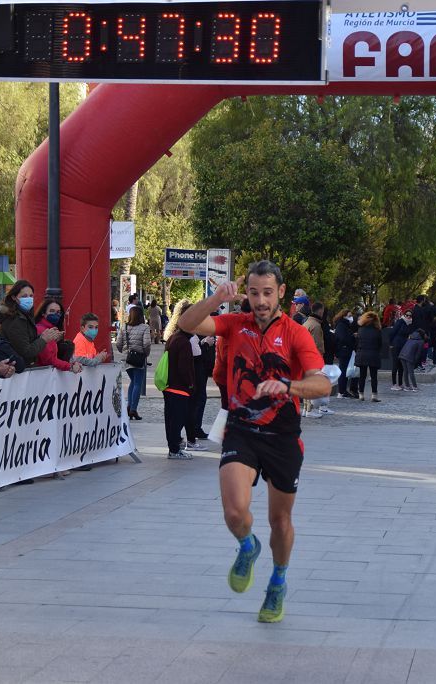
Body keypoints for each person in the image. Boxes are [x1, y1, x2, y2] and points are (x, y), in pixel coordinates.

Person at [175, 260, 330, 624]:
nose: (260, 301)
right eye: (254, 292)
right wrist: (216, 298)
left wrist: (288, 386)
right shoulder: (235, 325)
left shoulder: (296, 333)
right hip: (242, 429)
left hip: (282, 436)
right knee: (234, 512)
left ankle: (277, 581)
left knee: (280, 520)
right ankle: (247, 545)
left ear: (281, 292)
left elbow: (322, 384)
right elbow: (186, 324)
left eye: (267, 293)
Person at [162, 300, 199, 459]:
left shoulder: (173, 337)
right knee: (177, 420)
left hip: (170, 385)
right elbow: (184, 367)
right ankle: (174, 450)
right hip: (179, 387)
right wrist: (191, 384)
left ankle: (174, 448)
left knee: (171, 420)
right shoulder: (184, 342)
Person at [0, 280, 63, 368]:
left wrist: (45, 337)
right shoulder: (15, 319)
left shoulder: (25, 315)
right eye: (24, 296)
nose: (29, 299)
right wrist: (43, 339)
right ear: (14, 297)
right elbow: (26, 351)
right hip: (16, 370)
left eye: (31, 296)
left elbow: (28, 340)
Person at [114, 306, 150, 421]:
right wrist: (145, 354)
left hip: (127, 359)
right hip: (139, 358)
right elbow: (147, 344)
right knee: (137, 383)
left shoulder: (124, 327)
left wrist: (124, 352)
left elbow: (118, 343)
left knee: (133, 382)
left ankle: (129, 407)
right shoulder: (145, 327)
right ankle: (133, 409)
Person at [34, 299, 83, 373]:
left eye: (58, 312)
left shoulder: (52, 329)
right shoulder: (41, 329)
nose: (55, 314)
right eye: (52, 311)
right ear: (43, 313)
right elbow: (48, 360)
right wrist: (70, 366)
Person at [354, 311, 382, 402]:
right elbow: (380, 344)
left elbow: (357, 343)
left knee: (362, 375)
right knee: (374, 376)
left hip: (362, 354)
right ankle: (374, 395)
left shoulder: (361, 330)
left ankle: (361, 394)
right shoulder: (377, 330)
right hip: (373, 354)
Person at [332, 309, 357, 398]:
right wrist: (352, 337)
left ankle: (343, 390)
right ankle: (341, 391)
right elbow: (343, 338)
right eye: (349, 316)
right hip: (344, 350)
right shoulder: (341, 325)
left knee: (345, 370)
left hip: (345, 350)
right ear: (344, 316)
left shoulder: (344, 325)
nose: (351, 318)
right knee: (343, 370)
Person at [389, 309, 414, 390]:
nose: (408, 317)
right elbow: (392, 332)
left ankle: (400, 383)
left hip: (404, 345)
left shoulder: (410, 324)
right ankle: (394, 384)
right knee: (395, 364)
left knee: (401, 365)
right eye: (407, 315)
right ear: (404, 315)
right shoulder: (400, 321)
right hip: (396, 344)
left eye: (410, 315)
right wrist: (390, 344)